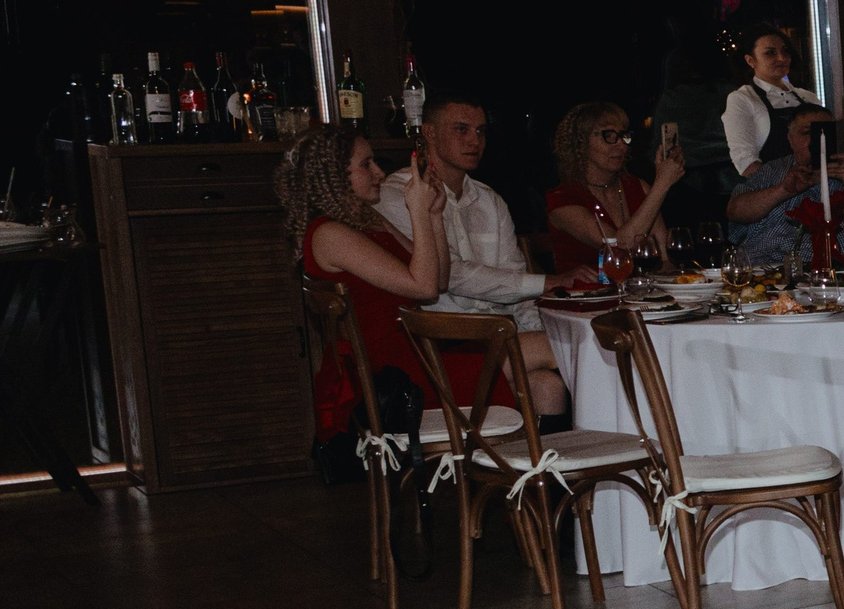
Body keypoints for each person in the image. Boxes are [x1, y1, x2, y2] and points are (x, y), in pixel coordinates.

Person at [278, 128, 564, 421]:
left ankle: (535, 465)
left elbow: (438, 280)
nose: (379, 172)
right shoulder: (329, 234)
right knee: (557, 345)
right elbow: (425, 288)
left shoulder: (365, 220)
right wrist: (416, 211)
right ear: (333, 175)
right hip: (397, 370)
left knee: (545, 385)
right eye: (366, 164)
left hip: (419, 349)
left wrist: (433, 216)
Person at [377, 93, 595, 349]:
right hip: (439, 340)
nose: (474, 140)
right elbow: (452, 275)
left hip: (498, 333)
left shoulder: (489, 200)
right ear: (430, 132)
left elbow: (516, 287)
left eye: (480, 131)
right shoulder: (397, 194)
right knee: (575, 347)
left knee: (549, 381)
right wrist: (550, 282)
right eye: (462, 129)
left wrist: (543, 329)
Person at [544, 102, 683, 276]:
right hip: (586, 297)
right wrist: (662, 184)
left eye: (623, 136)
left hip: (638, 296)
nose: (622, 146)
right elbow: (618, 246)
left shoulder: (637, 187)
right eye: (609, 136)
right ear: (581, 142)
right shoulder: (563, 199)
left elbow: (664, 258)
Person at [723, 107, 843, 267]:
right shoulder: (770, 171)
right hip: (763, 266)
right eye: (806, 132)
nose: (814, 140)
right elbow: (734, 211)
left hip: (830, 267)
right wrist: (783, 190)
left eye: (823, 132)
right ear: (791, 139)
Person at [721, 23, 822, 175]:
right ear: (750, 60)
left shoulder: (808, 97)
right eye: (770, 53)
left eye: (785, 51)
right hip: (772, 192)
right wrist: (785, 187)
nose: (781, 58)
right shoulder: (742, 99)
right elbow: (746, 163)